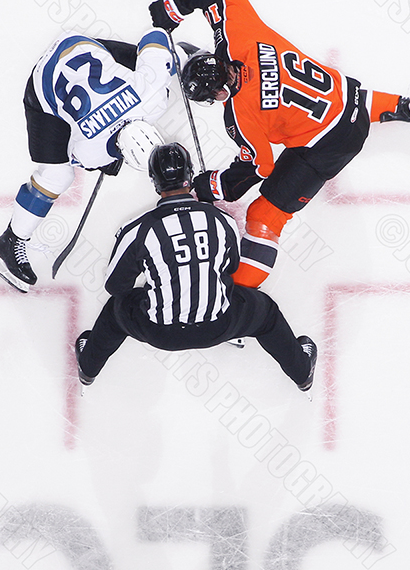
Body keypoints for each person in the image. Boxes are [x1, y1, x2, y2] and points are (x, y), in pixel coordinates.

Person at [149, 0, 410, 288]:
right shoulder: (240, 35)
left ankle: (235, 295)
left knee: (263, 216)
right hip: (346, 97)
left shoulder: (241, 115)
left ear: (216, 93)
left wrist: (212, 187)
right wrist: (174, 7)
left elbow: (260, 167)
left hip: (332, 143)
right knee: (330, 102)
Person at [74, 143, 317, 391]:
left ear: (154, 181)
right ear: (189, 175)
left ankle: (88, 369)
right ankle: (302, 374)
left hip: (160, 332)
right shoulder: (222, 221)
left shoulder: (137, 229)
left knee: (115, 311)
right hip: (218, 324)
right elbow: (231, 266)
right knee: (266, 314)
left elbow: (116, 286)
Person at [0, 29, 190, 292]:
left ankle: (182, 58)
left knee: (159, 65)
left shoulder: (153, 99)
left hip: (79, 47)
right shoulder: (91, 150)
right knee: (56, 176)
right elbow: (77, 152)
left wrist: (178, 59)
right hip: (44, 82)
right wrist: (108, 155)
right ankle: (10, 240)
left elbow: (156, 34)